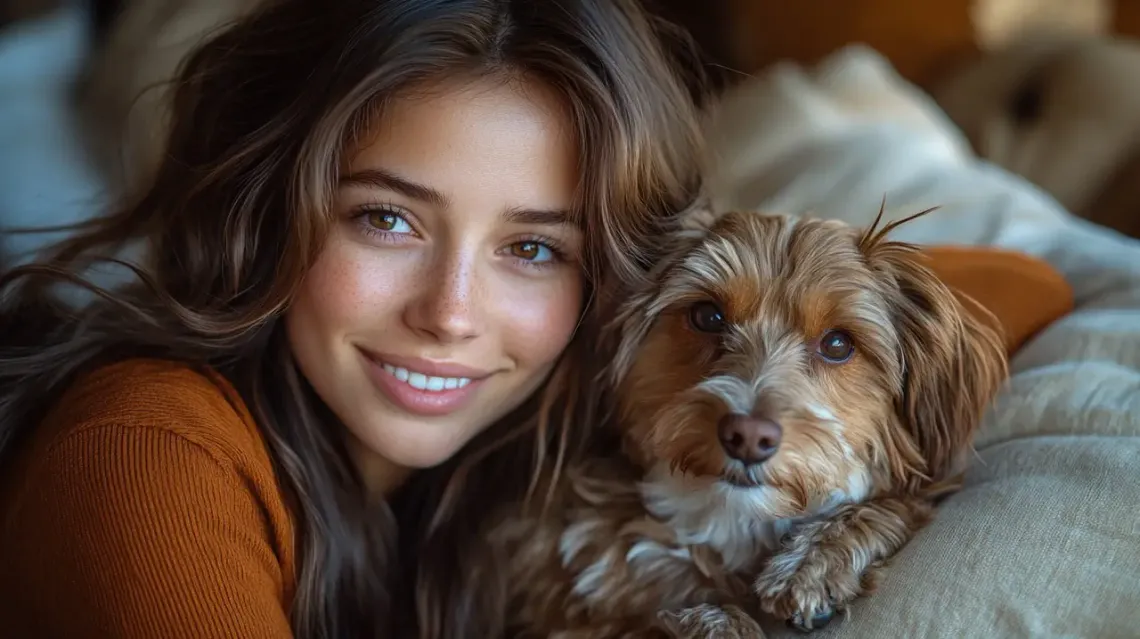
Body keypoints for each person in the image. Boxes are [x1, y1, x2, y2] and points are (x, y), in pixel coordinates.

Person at [0, 1, 707, 637]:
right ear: (266, 210)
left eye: (533, 248)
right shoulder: (145, 454)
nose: (449, 314)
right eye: (387, 219)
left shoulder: (527, 507)